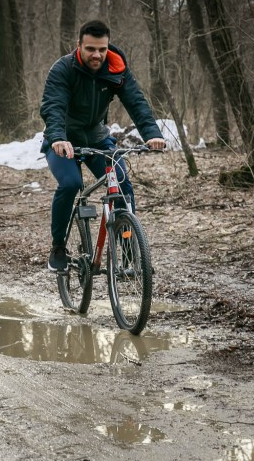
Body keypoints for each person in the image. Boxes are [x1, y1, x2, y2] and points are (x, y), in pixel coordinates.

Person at [39, 20, 166, 272]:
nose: (97, 54)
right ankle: (58, 247)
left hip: (97, 137)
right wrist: (57, 138)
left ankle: (130, 249)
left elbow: (136, 102)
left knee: (121, 184)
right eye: (90, 49)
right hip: (63, 139)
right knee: (71, 184)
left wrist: (152, 134)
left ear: (108, 47)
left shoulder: (116, 68)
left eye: (102, 49)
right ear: (79, 46)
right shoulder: (63, 69)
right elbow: (53, 106)